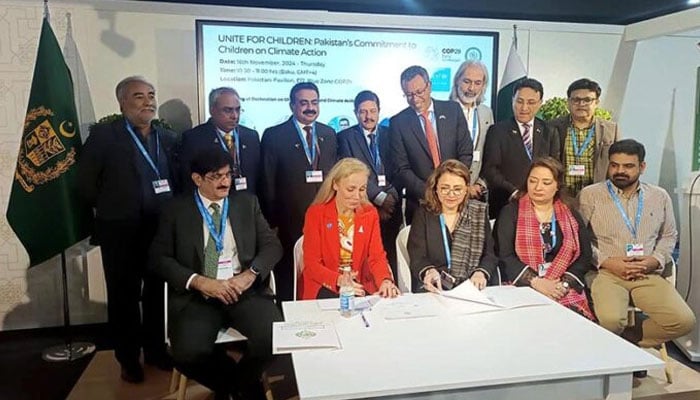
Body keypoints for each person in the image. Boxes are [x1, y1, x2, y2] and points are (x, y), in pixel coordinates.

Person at [150, 148, 282, 400]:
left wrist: (250, 274)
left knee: (275, 338)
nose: (224, 182)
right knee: (186, 354)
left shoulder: (246, 203)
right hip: (199, 295)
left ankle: (237, 386)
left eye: (228, 175)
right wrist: (199, 281)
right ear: (197, 179)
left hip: (242, 289)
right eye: (216, 176)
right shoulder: (176, 209)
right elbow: (158, 258)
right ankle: (236, 385)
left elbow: (272, 246)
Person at [580, 139, 694, 348]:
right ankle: (614, 356)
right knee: (612, 321)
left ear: (642, 167)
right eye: (614, 165)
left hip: (646, 273)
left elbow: (669, 235)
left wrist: (655, 260)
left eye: (628, 166)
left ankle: (627, 345)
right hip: (606, 274)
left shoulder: (659, 196)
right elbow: (579, 238)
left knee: (683, 321)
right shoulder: (590, 195)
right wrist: (607, 262)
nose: (619, 171)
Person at [260, 82, 337, 301]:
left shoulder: (329, 134)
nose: (310, 107)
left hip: (325, 220)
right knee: (289, 275)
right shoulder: (275, 135)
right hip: (288, 223)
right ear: (292, 105)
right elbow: (268, 182)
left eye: (314, 102)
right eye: (304, 103)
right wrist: (272, 222)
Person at [495, 157, 594, 319]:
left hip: (562, 287)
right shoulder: (511, 212)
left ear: (557, 186)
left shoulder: (570, 213)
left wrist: (563, 284)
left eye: (546, 183)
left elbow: (585, 255)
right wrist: (536, 282)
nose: (538, 187)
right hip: (522, 284)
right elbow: (504, 255)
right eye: (533, 181)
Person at [299, 158, 399, 300]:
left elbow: (376, 256)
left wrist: (385, 280)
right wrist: (340, 281)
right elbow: (312, 264)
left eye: (362, 189)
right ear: (335, 185)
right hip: (326, 284)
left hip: (360, 284)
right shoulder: (316, 214)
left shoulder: (369, 213)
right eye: (350, 189)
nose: (357, 196)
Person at [389, 65, 473, 224]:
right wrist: (429, 192)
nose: (415, 99)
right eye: (409, 95)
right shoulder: (398, 123)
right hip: (421, 203)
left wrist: (452, 186)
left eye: (419, 92)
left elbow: (465, 151)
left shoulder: (453, 110)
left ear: (429, 86)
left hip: (456, 200)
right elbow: (401, 168)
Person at [338, 90, 402, 278]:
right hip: (362, 206)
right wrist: (379, 198)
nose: (368, 117)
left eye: (372, 111)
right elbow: (351, 172)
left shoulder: (391, 134)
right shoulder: (346, 137)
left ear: (379, 111)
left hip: (392, 207)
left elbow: (400, 166)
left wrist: (391, 197)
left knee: (390, 253)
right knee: (365, 257)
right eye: (363, 112)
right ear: (356, 113)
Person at [408, 159, 497, 293]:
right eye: (445, 188)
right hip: (434, 286)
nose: (451, 195)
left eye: (457, 189)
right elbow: (417, 256)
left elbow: (490, 254)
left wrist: (480, 273)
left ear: (467, 189)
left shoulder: (478, 213)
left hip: (472, 287)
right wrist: (429, 271)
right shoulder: (424, 214)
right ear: (436, 188)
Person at [481, 78, 560, 219]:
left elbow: (555, 169)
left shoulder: (549, 131)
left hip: (540, 204)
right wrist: (515, 192)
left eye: (531, 103)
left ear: (540, 103)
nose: (524, 108)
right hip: (506, 203)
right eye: (519, 101)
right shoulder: (497, 130)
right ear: (512, 100)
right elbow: (490, 169)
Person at [179, 87, 261, 195]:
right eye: (228, 110)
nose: (235, 116)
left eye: (237, 109)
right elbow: (188, 181)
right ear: (212, 110)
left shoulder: (251, 136)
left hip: (247, 204)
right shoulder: (194, 138)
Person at [549, 78, 621, 196]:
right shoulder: (552, 127)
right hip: (562, 196)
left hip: (598, 195)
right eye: (576, 100)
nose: (581, 104)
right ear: (568, 102)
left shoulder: (611, 129)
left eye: (587, 100)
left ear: (596, 102)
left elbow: (618, 163)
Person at [449, 60, 494, 200]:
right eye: (467, 81)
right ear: (457, 81)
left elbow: (490, 154)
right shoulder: (444, 111)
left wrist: (480, 184)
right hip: (449, 191)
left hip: (476, 193)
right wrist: (460, 187)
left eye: (477, 83)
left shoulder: (486, 113)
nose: (471, 88)